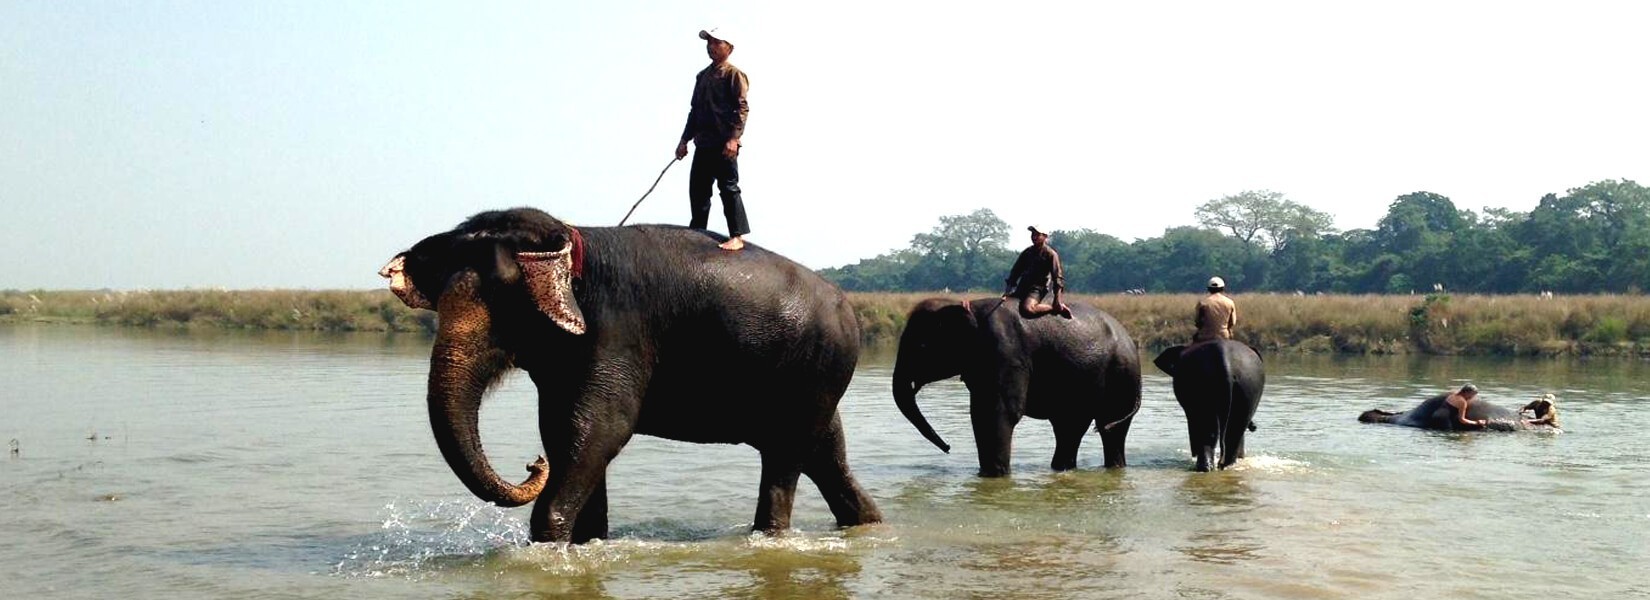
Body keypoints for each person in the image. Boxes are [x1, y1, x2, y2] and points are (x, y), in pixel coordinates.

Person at [675, 27, 752, 251]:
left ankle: (737, 235)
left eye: (717, 42)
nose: (711, 46)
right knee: (698, 191)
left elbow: (742, 108)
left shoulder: (733, 74)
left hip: (724, 144)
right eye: (709, 42)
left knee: (728, 188)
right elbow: (694, 111)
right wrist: (684, 140)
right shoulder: (702, 76)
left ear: (729, 47)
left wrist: (734, 139)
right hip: (704, 143)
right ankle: (698, 232)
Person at [1002, 226, 1071, 318]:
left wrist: (1057, 299)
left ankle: (1054, 308)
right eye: (1033, 234)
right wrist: (1007, 292)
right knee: (1004, 306)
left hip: (1037, 289)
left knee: (1028, 309)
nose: (1034, 237)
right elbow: (1015, 272)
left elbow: (1057, 278)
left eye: (1037, 235)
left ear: (1045, 236)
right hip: (1023, 286)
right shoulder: (1027, 252)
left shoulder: (1050, 254)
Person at [1192, 276, 1237, 343]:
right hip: (1224, 336)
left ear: (1209, 289)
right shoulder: (1230, 302)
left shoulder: (1202, 303)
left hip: (1204, 336)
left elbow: (1197, 322)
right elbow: (1232, 322)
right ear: (1223, 288)